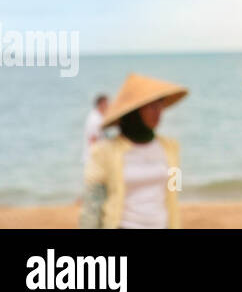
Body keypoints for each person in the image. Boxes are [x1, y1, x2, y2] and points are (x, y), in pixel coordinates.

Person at [79, 74, 187, 229]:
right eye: (151, 107)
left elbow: (173, 192)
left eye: (160, 105)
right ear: (135, 111)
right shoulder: (104, 152)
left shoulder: (170, 148)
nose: (158, 112)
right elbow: (92, 206)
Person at [81, 94, 109, 167]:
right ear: (101, 104)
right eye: (106, 104)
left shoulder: (97, 116)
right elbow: (93, 140)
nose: (108, 106)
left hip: (95, 158)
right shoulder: (95, 119)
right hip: (94, 159)